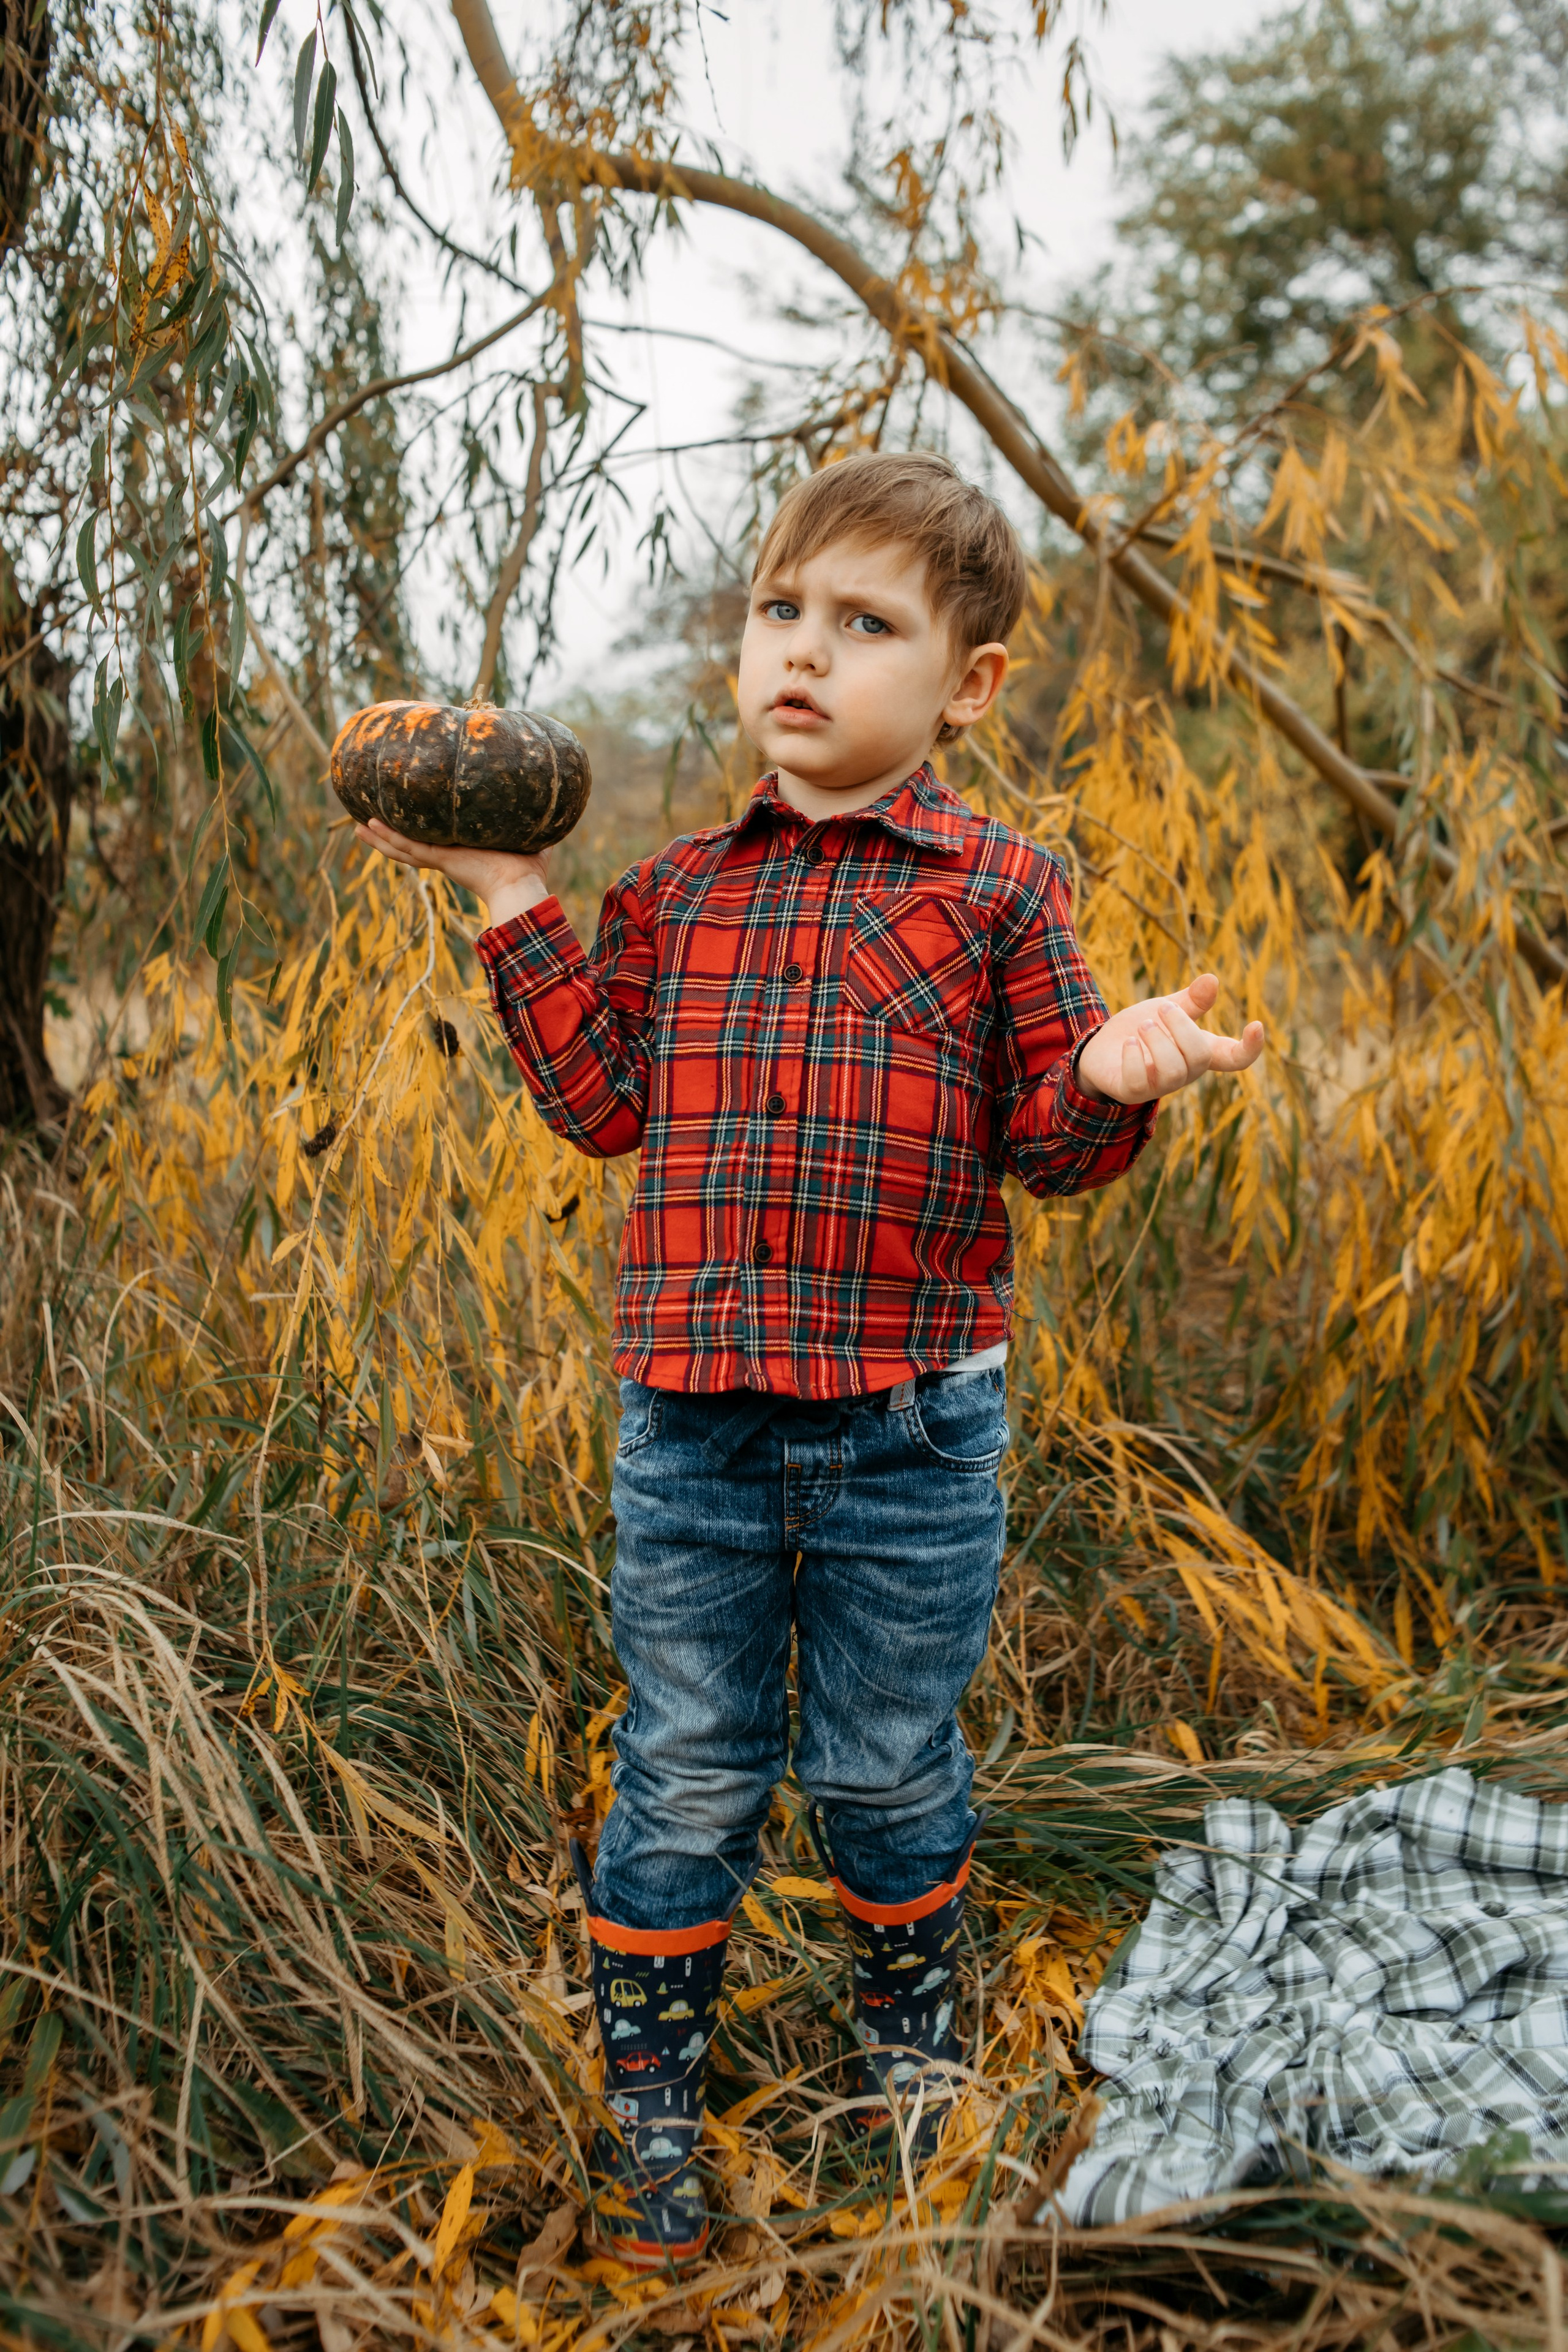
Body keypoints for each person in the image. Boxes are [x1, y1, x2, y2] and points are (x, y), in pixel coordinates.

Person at [356, 451, 1264, 2269]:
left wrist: (1111, 1078)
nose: (805, 653)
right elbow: (601, 1106)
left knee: (879, 1760)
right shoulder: (678, 898)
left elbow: (1047, 1142)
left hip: (912, 1428)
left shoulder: (1001, 891)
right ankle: (656, 2118)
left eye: (865, 627)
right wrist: (509, 888)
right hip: (691, 1424)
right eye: (783, 612)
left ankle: (906, 2073)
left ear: (967, 684)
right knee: (689, 1758)